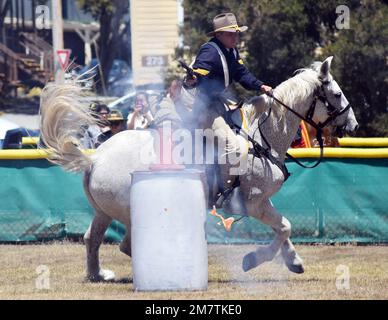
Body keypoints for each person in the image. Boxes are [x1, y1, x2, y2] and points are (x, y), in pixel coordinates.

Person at [188, 12, 273, 213]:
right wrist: (193, 79)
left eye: (236, 34)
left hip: (220, 104)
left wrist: (261, 86)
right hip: (204, 108)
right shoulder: (209, 51)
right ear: (219, 35)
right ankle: (224, 193)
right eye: (230, 34)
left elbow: (242, 74)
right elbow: (199, 73)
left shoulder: (232, 51)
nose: (235, 37)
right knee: (233, 146)